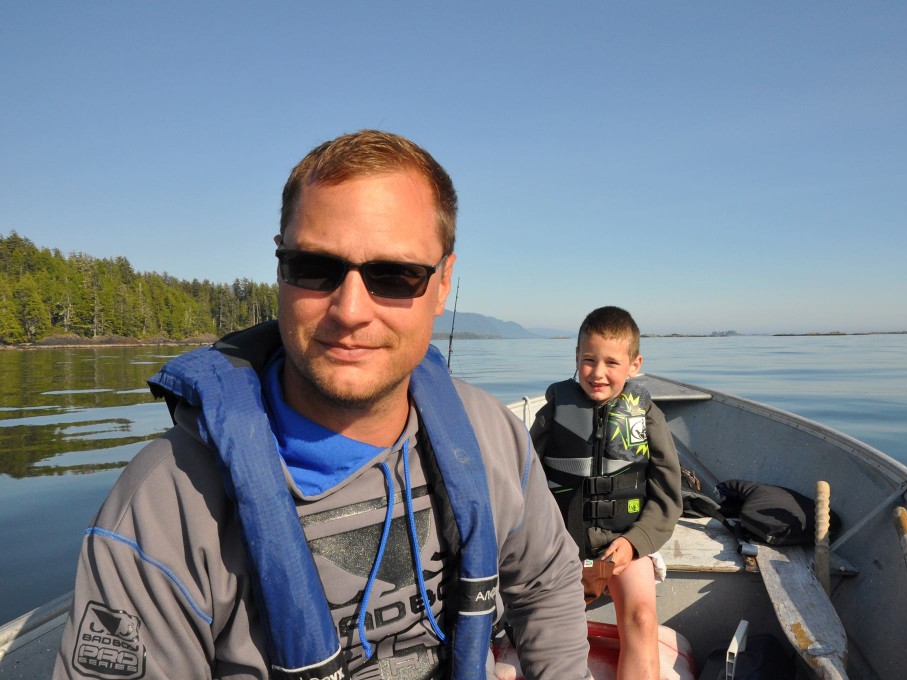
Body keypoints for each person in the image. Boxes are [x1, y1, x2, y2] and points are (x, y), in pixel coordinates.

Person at [54, 130, 591, 680]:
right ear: (280, 267)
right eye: (315, 265)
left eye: (395, 275)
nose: (351, 310)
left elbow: (546, 582)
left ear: (442, 284)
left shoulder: (489, 435)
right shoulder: (166, 506)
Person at [529, 306, 683, 680]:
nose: (598, 373)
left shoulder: (647, 416)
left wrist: (634, 543)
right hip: (560, 545)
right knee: (542, 625)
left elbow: (667, 496)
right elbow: (523, 481)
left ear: (634, 364)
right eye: (588, 360)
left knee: (643, 617)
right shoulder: (554, 412)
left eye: (611, 362)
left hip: (624, 543)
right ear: (576, 359)